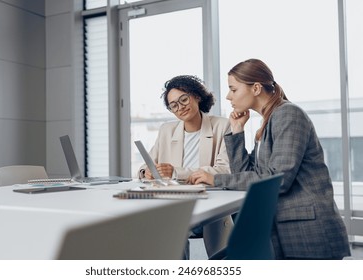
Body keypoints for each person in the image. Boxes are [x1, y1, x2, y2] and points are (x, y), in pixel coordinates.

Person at [189, 59, 351, 260]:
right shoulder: (269, 120)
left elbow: (278, 180)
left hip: (306, 233)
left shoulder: (288, 114)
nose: (228, 96)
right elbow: (246, 174)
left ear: (255, 88)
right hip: (283, 229)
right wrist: (237, 131)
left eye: (233, 89)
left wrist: (215, 179)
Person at [138, 75, 233, 259]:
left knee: (171, 226)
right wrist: (147, 171)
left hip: (206, 204)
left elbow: (224, 169)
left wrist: (174, 172)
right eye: (174, 105)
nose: (180, 107)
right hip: (172, 202)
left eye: (184, 99)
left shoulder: (221, 125)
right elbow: (146, 164)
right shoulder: (167, 130)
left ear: (197, 96)